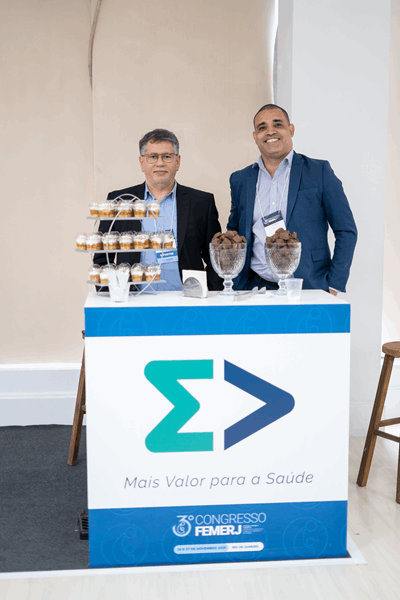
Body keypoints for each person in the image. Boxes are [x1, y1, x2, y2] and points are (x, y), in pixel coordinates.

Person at [227, 104, 357, 293]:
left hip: (308, 287)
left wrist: (333, 285)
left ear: (291, 130)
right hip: (255, 289)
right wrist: (235, 281)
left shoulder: (319, 172)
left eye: (277, 124)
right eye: (262, 127)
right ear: (255, 136)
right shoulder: (240, 179)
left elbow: (346, 230)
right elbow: (234, 231)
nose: (270, 131)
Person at [94, 128, 222, 290]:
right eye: (153, 157)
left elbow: (216, 259)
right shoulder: (120, 201)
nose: (160, 163)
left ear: (178, 161)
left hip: (187, 301)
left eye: (167, 156)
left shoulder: (202, 202)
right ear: (142, 162)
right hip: (134, 300)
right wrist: (112, 297)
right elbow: (102, 259)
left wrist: (209, 296)